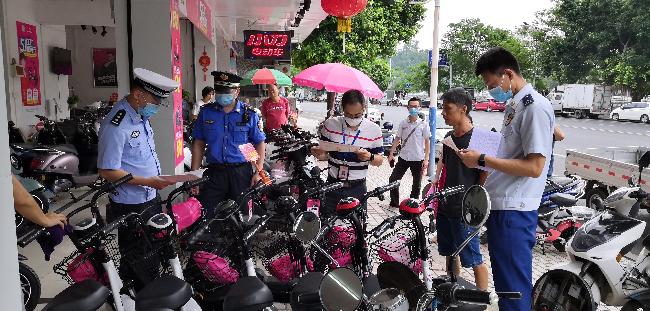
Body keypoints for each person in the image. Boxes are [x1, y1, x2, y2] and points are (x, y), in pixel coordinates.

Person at [457, 47, 554, 310]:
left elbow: (534, 167)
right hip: (503, 206)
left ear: (507, 74)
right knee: (506, 286)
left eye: (491, 84)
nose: (491, 90)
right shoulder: (517, 104)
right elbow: (515, 148)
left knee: (513, 290)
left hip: (515, 209)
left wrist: (481, 160)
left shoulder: (533, 106)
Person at [97, 68, 179, 247]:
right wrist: (148, 181)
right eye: (154, 101)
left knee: (152, 249)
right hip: (131, 204)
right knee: (136, 256)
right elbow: (107, 171)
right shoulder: (116, 125)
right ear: (137, 94)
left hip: (150, 195)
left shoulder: (139, 116)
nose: (156, 106)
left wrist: (152, 183)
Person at [433, 88, 489, 290]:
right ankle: (453, 291)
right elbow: (446, 169)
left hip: (466, 212)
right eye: (443, 108)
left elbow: (484, 177)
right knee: (450, 253)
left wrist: (473, 207)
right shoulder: (449, 137)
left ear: (463, 109)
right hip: (445, 207)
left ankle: (483, 299)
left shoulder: (481, 139)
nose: (443, 113)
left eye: (447, 109)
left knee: (474, 258)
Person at [191, 71, 266, 217]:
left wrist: (259, 172)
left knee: (242, 216)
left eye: (226, 92)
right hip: (214, 173)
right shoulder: (206, 112)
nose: (221, 95)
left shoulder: (249, 114)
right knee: (207, 216)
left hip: (241, 174)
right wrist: (195, 175)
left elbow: (259, 143)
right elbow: (198, 143)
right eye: (218, 91)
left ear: (237, 91)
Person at [310, 90, 384, 215]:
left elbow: (379, 161)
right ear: (342, 108)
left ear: (364, 108)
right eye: (349, 115)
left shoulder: (374, 130)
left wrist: (369, 157)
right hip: (333, 185)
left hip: (357, 188)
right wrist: (318, 153)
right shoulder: (330, 125)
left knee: (356, 228)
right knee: (329, 225)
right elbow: (324, 154)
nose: (353, 118)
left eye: (358, 115)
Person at [387, 97, 431, 208]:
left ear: (420, 108)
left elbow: (427, 142)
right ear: (408, 108)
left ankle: (413, 204)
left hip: (417, 158)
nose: (413, 108)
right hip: (404, 157)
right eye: (411, 106)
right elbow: (397, 138)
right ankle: (394, 203)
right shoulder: (403, 123)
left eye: (416, 106)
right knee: (393, 179)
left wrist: (426, 159)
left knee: (417, 184)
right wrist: (391, 154)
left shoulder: (423, 125)